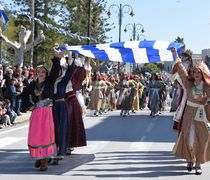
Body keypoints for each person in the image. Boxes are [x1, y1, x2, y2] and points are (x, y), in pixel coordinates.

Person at [172, 49, 210, 175]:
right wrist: (175, 55)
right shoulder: (188, 83)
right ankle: (189, 160)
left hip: (202, 115)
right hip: (188, 114)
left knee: (202, 138)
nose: (196, 74)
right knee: (189, 137)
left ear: (203, 73)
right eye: (194, 72)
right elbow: (181, 70)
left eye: (199, 72)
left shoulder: (207, 87)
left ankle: (198, 163)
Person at [21, 51, 61, 171]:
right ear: (36, 74)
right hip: (37, 113)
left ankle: (44, 160)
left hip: (48, 113)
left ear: (46, 73)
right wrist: (29, 106)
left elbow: (55, 71)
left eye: (43, 72)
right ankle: (39, 156)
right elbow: (23, 95)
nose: (41, 74)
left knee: (46, 136)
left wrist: (56, 58)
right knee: (36, 135)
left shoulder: (49, 82)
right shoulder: (32, 85)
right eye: (39, 72)